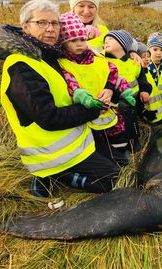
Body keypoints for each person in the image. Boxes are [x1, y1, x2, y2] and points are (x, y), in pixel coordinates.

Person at [0, 0, 121, 197]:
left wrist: (110, 86)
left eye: (54, 23)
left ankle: (62, 174)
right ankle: (60, 176)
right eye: (41, 23)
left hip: (78, 141)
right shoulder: (20, 65)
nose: (50, 29)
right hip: (51, 155)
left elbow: (93, 65)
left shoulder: (49, 54)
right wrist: (94, 110)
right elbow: (49, 118)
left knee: (121, 162)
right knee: (114, 178)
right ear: (25, 27)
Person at [57, 12, 137, 166]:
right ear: (63, 43)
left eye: (82, 39)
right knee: (97, 143)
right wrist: (82, 97)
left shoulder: (97, 58)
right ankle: (108, 162)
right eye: (73, 40)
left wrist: (125, 91)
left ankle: (123, 160)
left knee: (118, 135)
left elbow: (113, 73)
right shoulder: (64, 64)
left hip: (110, 110)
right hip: (88, 114)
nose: (80, 44)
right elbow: (70, 83)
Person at [135, 42, 162, 124]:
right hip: (150, 117)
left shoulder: (147, 71)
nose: (147, 59)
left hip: (160, 112)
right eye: (143, 57)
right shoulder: (137, 76)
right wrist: (143, 112)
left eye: (148, 56)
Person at [147, 32, 162, 97]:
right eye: (155, 49)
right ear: (148, 50)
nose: (158, 53)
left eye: (161, 50)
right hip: (150, 100)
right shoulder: (145, 65)